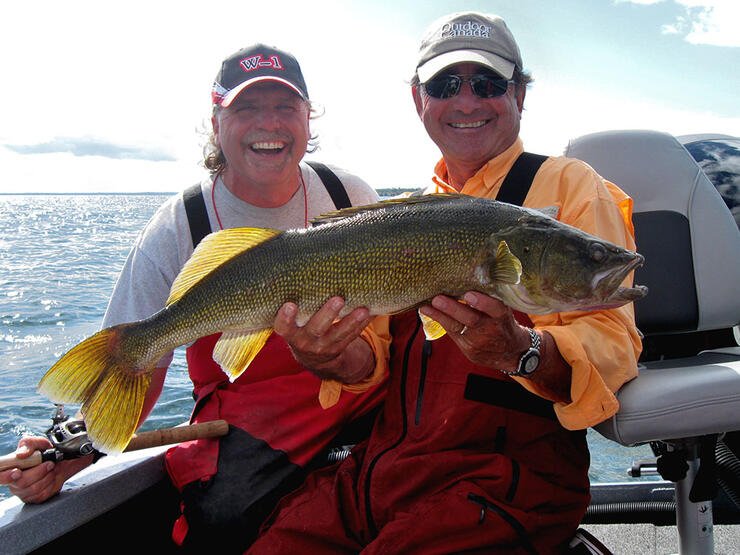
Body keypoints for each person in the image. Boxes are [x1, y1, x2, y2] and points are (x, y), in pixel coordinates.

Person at [247, 12, 642, 554]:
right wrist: (328, 356)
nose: (466, 101)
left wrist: (521, 350)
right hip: (384, 472)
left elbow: (614, 349)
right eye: (444, 85)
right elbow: (371, 360)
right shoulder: (410, 213)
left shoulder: (570, 186)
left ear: (519, 95)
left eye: (487, 84)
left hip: (503, 482)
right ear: (419, 101)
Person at [0, 44, 389, 552]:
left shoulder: (349, 195)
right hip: (252, 427)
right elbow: (138, 364)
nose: (268, 124)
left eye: (285, 108)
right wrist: (75, 450)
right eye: (247, 108)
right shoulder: (179, 224)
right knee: (223, 521)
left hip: (358, 407)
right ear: (216, 122)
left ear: (308, 119)